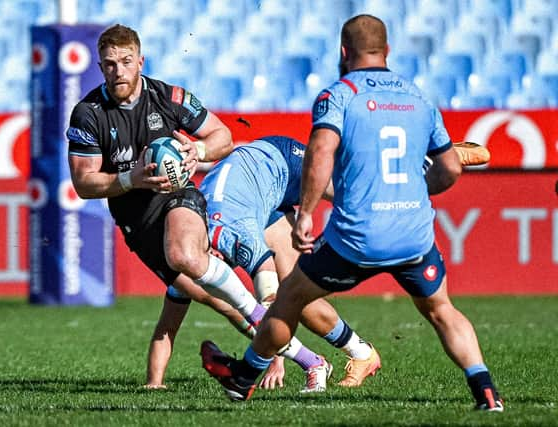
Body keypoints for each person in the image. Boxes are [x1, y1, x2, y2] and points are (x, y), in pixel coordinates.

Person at [201, 15, 504, 412]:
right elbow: (450, 169)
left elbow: (320, 154)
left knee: (289, 297)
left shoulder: (338, 95)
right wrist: (416, 190)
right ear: (388, 51)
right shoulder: (418, 98)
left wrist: (306, 213)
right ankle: (485, 391)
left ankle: (244, 378)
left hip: (359, 236)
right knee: (442, 310)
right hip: (413, 235)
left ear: (343, 52)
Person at [66, 23, 285, 379]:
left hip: (179, 198)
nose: (118, 70)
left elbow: (223, 137)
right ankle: (273, 348)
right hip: (138, 220)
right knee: (210, 296)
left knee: (198, 268)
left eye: (125, 61)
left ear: (141, 61)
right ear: (100, 66)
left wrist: (195, 150)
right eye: (109, 64)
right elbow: (84, 182)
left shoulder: (170, 97)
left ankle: (280, 353)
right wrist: (130, 178)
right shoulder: (88, 113)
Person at [146, 136, 382, 391]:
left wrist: (275, 361)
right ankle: (361, 354)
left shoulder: (234, 235)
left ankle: (396, 211)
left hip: (279, 161)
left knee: (356, 203)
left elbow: (269, 298)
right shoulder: (190, 260)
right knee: (298, 293)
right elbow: (167, 325)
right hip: (255, 193)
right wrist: (154, 383)